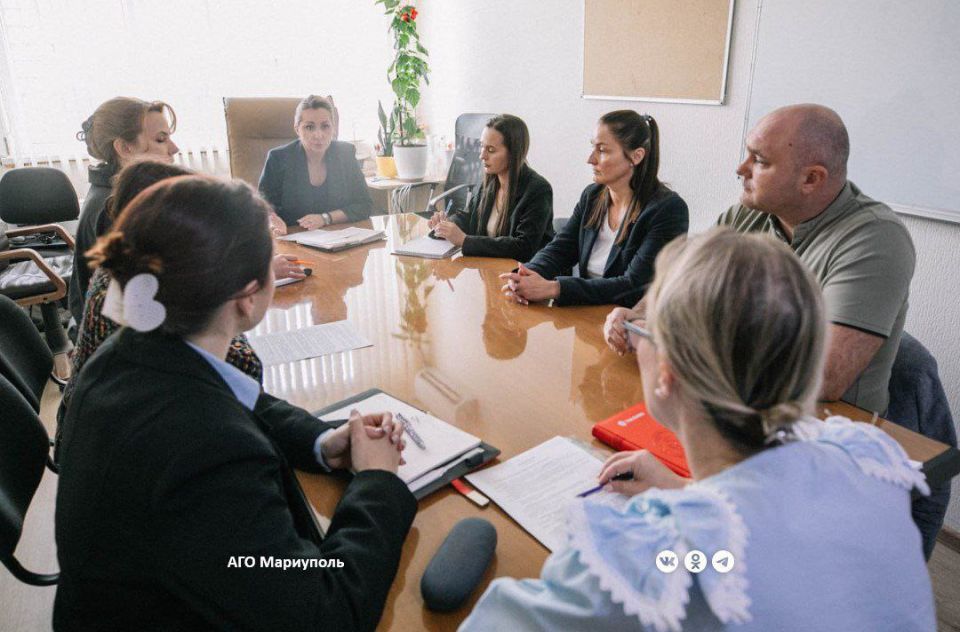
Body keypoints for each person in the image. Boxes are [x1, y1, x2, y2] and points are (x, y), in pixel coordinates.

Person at [462, 228, 934, 631]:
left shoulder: (651, 559)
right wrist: (687, 487)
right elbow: (781, 547)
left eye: (644, 330)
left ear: (668, 371)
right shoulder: (866, 461)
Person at [55, 175, 415, 631]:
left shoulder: (128, 352)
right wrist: (378, 481)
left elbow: (237, 398)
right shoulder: (207, 454)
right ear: (248, 297)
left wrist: (324, 441)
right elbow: (324, 613)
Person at [605, 104, 914, 417]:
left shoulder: (876, 238)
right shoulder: (747, 213)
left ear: (811, 179)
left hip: (827, 432)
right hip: (736, 407)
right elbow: (678, 284)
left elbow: (823, 377)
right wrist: (635, 316)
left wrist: (677, 340)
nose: (741, 168)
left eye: (760, 161)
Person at [55, 160, 304, 459]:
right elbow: (238, 371)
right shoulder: (210, 426)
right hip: (122, 446)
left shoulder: (128, 271)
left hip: (92, 430)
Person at [499, 110, 687, 307]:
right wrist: (526, 275)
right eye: (593, 148)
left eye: (602, 150)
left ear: (636, 156)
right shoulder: (593, 196)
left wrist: (555, 288)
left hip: (625, 322)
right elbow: (560, 249)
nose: (591, 159)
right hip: (583, 313)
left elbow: (635, 286)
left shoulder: (668, 210)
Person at [70, 97, 179, 324]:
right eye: (161, 139)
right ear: (124, 148)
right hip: (118, 341)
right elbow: (145, 303)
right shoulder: (115, 209)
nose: (174, 148)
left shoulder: (114, 191)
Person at [429, 114, 554, 260]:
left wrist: (464, 240)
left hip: (524, 275)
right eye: (482, 146)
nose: (482, 155)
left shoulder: (538, 190)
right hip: (490, 269)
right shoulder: (489, 183)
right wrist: (447, 225)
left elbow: (523, 247)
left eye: (491, 150)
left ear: (513, 153)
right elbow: (469, 217)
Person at [258, 95, 373, 232]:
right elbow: (262, 208)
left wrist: (325, 218)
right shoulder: (278, 158)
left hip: (337, 237)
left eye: (325, 126)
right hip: (292, 237)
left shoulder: (345, 154)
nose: (319, 135)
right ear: (297, 129)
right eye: (309, 127)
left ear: (333, 128)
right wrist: (273, 224)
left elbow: (364, 204)